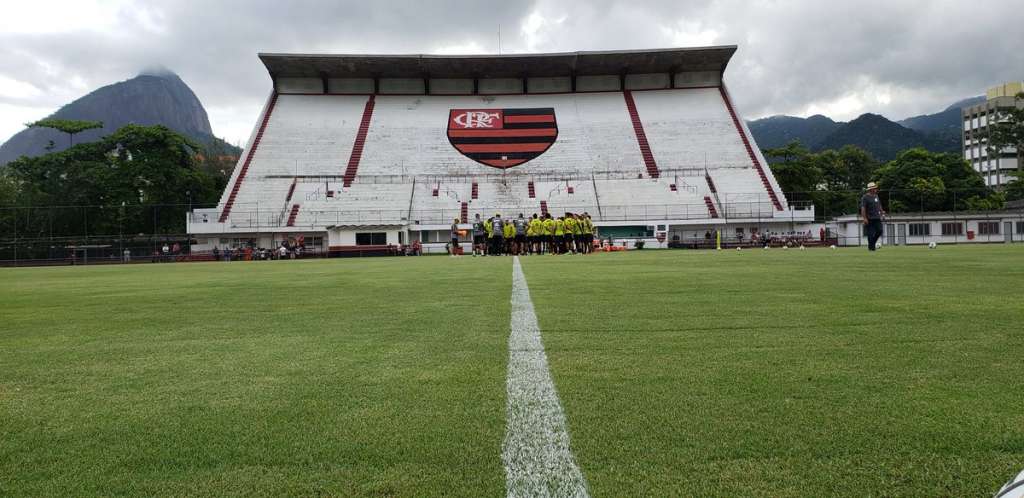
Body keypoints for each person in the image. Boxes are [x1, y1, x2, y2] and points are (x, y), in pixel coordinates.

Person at [860, 182, 886, 251]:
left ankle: (872, 244)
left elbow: (879, 205)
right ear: (870, 189)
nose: (876, 189)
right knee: (870, 234)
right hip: (869, 218)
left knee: (880, 231)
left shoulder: (876, 196)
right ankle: (871, 248)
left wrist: (882, 212)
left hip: (877, 218)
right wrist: (864, 218)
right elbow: (863, 208)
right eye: (874, 188)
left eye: (876, 188)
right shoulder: (865, 197)